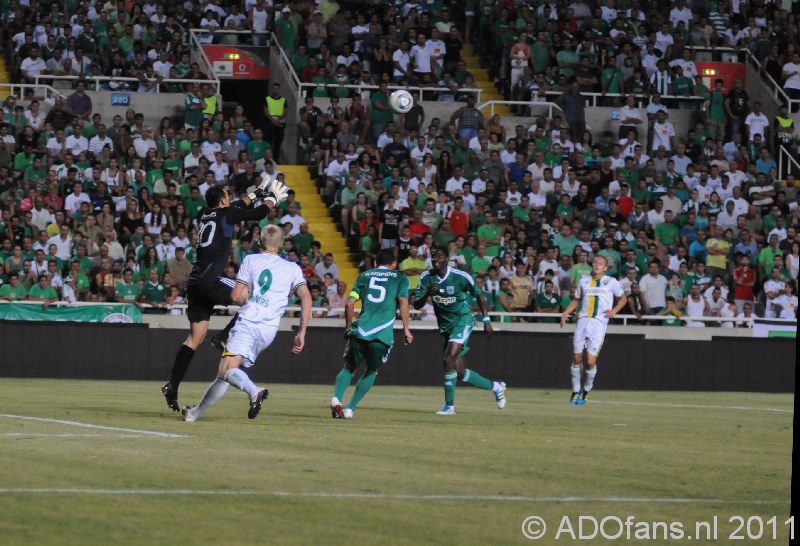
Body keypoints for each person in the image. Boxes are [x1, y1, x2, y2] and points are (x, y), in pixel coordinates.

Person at [161, 177, 290, 412]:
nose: (230, 199)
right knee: (248, 297)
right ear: (222, 201)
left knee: (195, 338)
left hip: (195, 283)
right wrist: (272, 198)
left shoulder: (204, 215)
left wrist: (256, 192)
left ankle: (173, 384)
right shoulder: (226, 214)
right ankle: (223, 337)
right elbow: (258, 214)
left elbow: (238, 207)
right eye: (227, 197)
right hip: (211, 280)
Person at [181, 225, 312, 422]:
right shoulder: (293, 268)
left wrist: (248, 298)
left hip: (248, 323)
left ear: (260, 242)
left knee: (227, 370)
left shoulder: (251, 260)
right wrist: (302, 332)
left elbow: (235, 295)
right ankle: (193, 414)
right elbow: (307, 298)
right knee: (225, 371)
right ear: (280, 245)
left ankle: (255, 391)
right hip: (269, 330)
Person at [413, 246, 506, 415]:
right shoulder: (427, 278)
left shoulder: (460, 277)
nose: (435, 259)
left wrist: (486, 320)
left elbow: (479, 295)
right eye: (433, 257)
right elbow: (416, 304)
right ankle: (495, 386)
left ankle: (449, 407)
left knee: (448, 359)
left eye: (439, 256)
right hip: (445, 326)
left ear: (447, 258)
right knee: (460, 372)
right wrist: (427, 292)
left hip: (463, 320)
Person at [331, 249, 413, 419]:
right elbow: (404, 301)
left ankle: (336, 399)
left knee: (349, 367)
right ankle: (350, 408)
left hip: (361, 331)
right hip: (382, 335)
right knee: (372, 370)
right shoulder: (400, 278)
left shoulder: (364, 276)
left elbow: (350, 302)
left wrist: (348, 327)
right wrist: (406, 328)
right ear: (394, 264)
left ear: (375, 263)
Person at [560, 256, 626, 406]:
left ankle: (586, 390)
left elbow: (623, 299)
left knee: (590, 361)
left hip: (598, 323)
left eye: (600, 263)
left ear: (605, 268)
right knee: (577, 358)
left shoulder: (611, 282)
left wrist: (614, 311)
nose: (597, 264)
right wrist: (566, 312)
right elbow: (576, 300)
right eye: (595, 262)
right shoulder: (583, 280)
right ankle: (575, 391)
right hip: (583, 321)